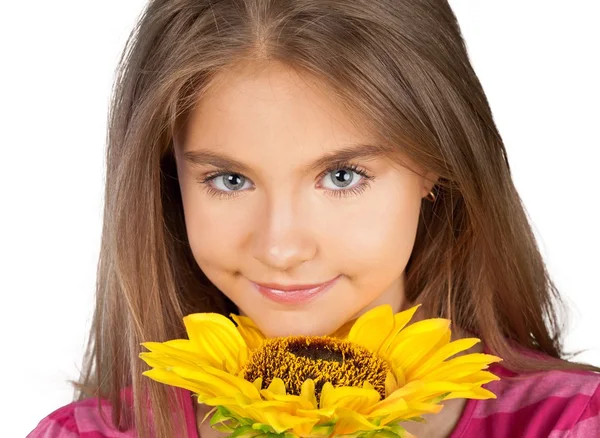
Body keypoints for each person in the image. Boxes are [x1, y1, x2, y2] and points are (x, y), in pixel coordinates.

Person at [28, 0, 600, 437]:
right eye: (230, 180)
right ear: (167, 180)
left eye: (343, 176)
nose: (281, 248)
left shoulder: (574, 422)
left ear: (436, 166)